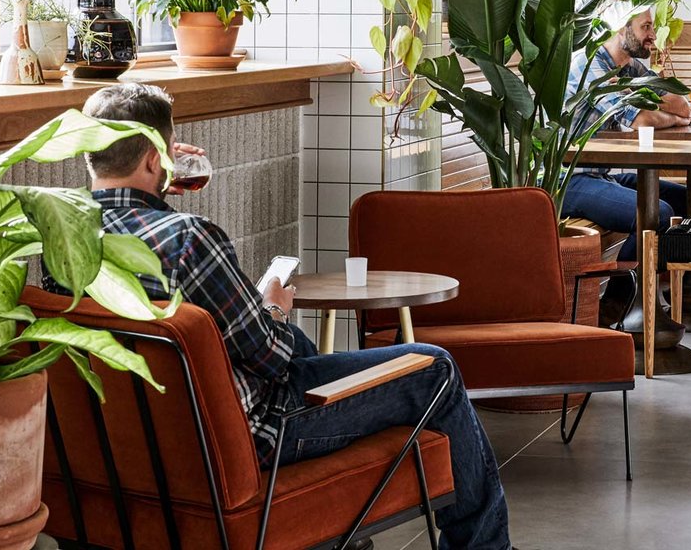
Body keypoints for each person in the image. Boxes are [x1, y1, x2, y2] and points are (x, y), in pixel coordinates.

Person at [73, 83, 511, 550]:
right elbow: (270, 357)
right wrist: (275, 309)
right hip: (251, 436)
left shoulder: (63, 237)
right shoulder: (189, 241)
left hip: (130, 442)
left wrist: (156, 180)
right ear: (156, 159)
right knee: (434, 370)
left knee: (305, 351)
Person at [559, 10, 691, 263]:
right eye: (646, 27)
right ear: (621, 28)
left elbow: (682, 104)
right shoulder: (589, 66)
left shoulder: (630, 67)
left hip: (600, 175)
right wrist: (673, 119)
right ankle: (622, 297)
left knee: (687, 200)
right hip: (566, 182)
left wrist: (666, 111)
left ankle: (683, 285)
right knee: (658, 214)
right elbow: (640, 121)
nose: (653, 35)